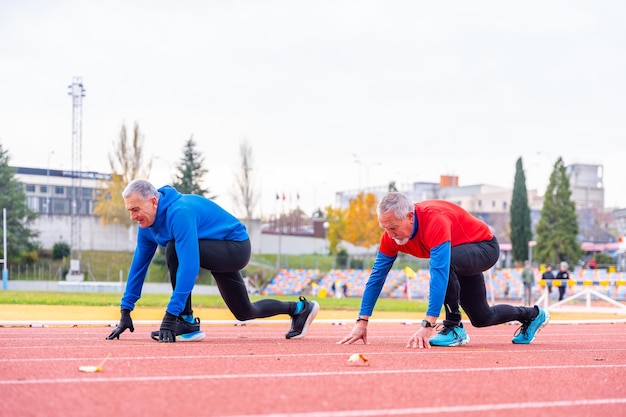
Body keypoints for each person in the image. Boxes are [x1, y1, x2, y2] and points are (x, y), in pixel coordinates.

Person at [106, 179, 319, 343]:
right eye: (129, 211)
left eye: (135, 210)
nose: (133, 216)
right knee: (244, 312)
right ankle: (299, 309)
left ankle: (186, 321)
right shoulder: (147, 226)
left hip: (235, 247)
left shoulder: (179, 213)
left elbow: (189, 267)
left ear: (153, 202)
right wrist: (126, 310)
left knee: (173, 250)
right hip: (214, 246)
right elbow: (138, 266)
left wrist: (171, 315)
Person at [338, 192, 550, 348]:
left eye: (393, 227)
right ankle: (532, 315)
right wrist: (362, 321)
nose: (390, 234)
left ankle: (453, 326)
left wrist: (428, 323)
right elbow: (377, 277)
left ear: (411, 216)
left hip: (484, 247)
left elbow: (439, 271)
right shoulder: (390, 237)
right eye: (384, 228)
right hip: (459, 256)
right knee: (482, 317)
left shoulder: (434, 220)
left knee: (445, 264)